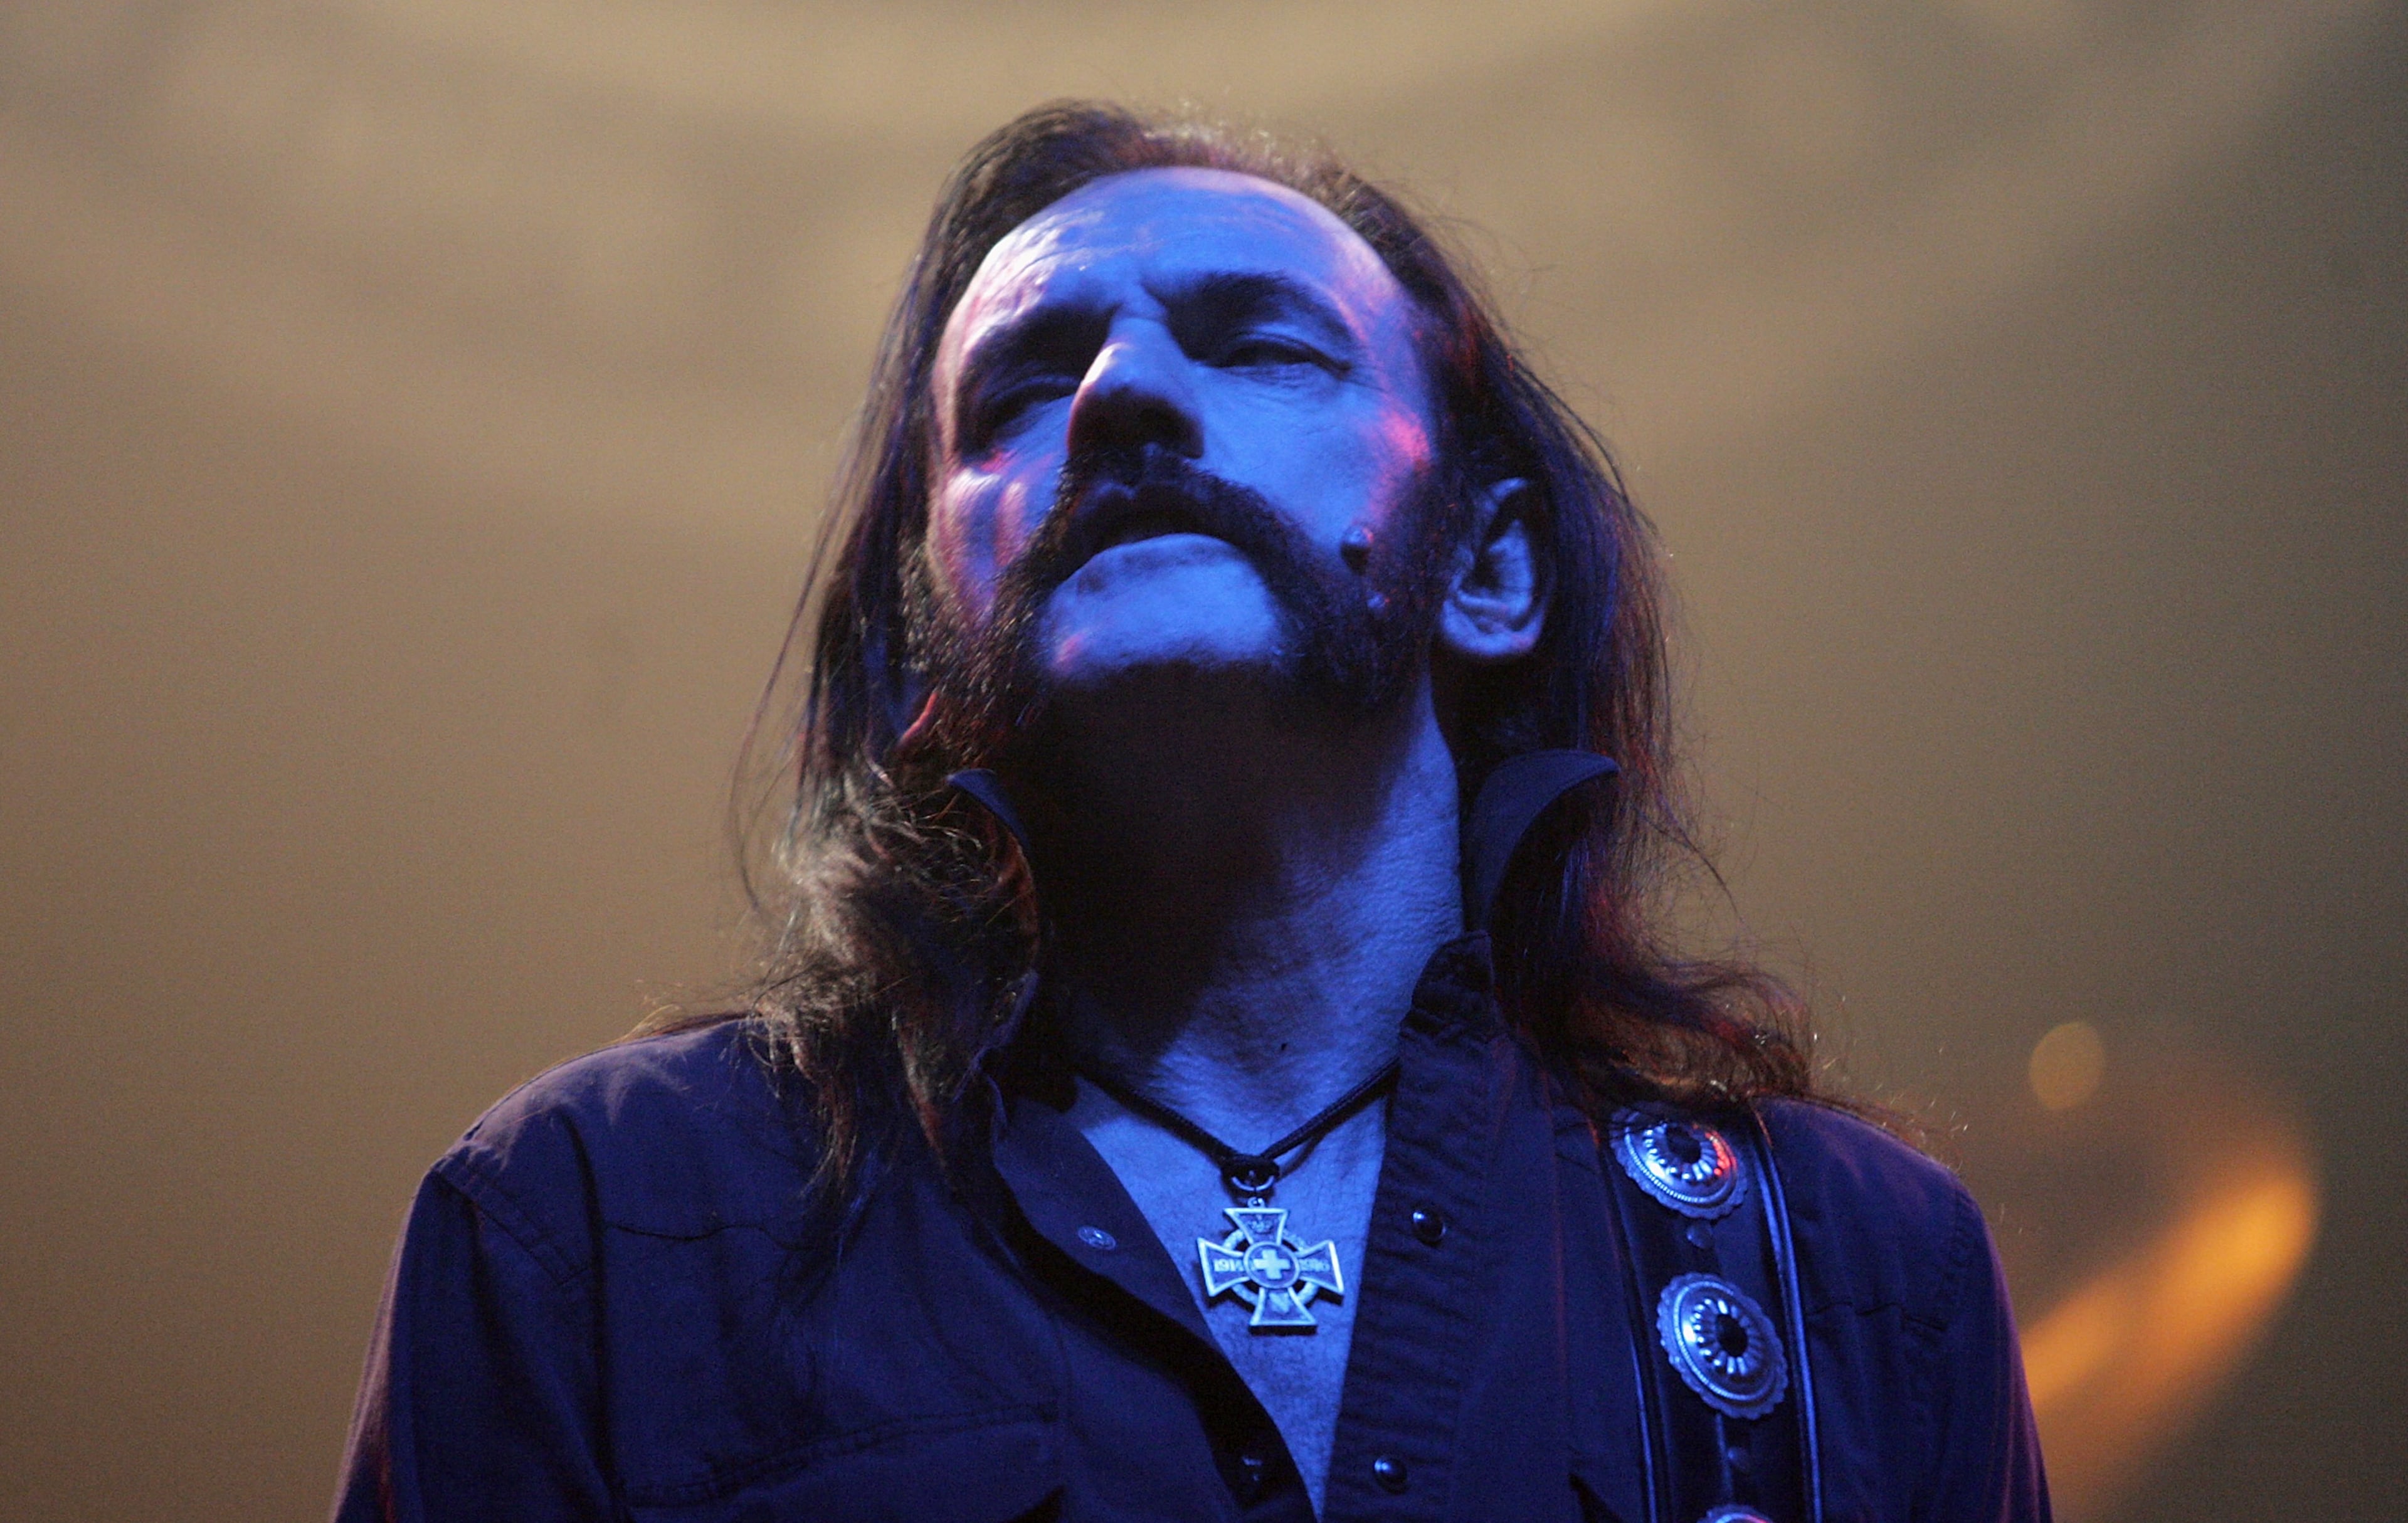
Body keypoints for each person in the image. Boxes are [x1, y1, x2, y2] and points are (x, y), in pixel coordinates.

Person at [332, 102, 2048, 1523]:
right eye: (1018, 391)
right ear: (932, 633)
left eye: (1261, 347)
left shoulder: (1853, 1273)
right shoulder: (597, 1222)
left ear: (1491, 565)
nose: (1124, 397)